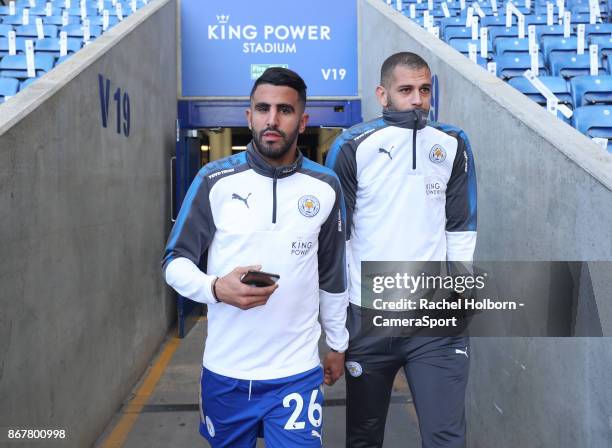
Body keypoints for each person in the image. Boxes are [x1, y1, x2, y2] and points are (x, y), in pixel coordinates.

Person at [162, 67, 349, 447]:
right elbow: (174, 263)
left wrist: (338, 343)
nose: (272, 119)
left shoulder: (326, 186)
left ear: (303, 119)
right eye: (262, 109)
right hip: (227, 373)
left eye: (285, 110)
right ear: (249, 116)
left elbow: (332, 275)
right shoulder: (214, 180)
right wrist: (215, 288)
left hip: (297, 372)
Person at [326, 52, 477, 448]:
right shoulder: (350, 146)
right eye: (406, 90)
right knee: (364, 436)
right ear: (383, 94)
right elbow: (337, 241)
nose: (417, 100)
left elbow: (460, 227)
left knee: (446, 437)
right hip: (368, 318)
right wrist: (335, 328)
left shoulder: (453, 143)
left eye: (424, 90)